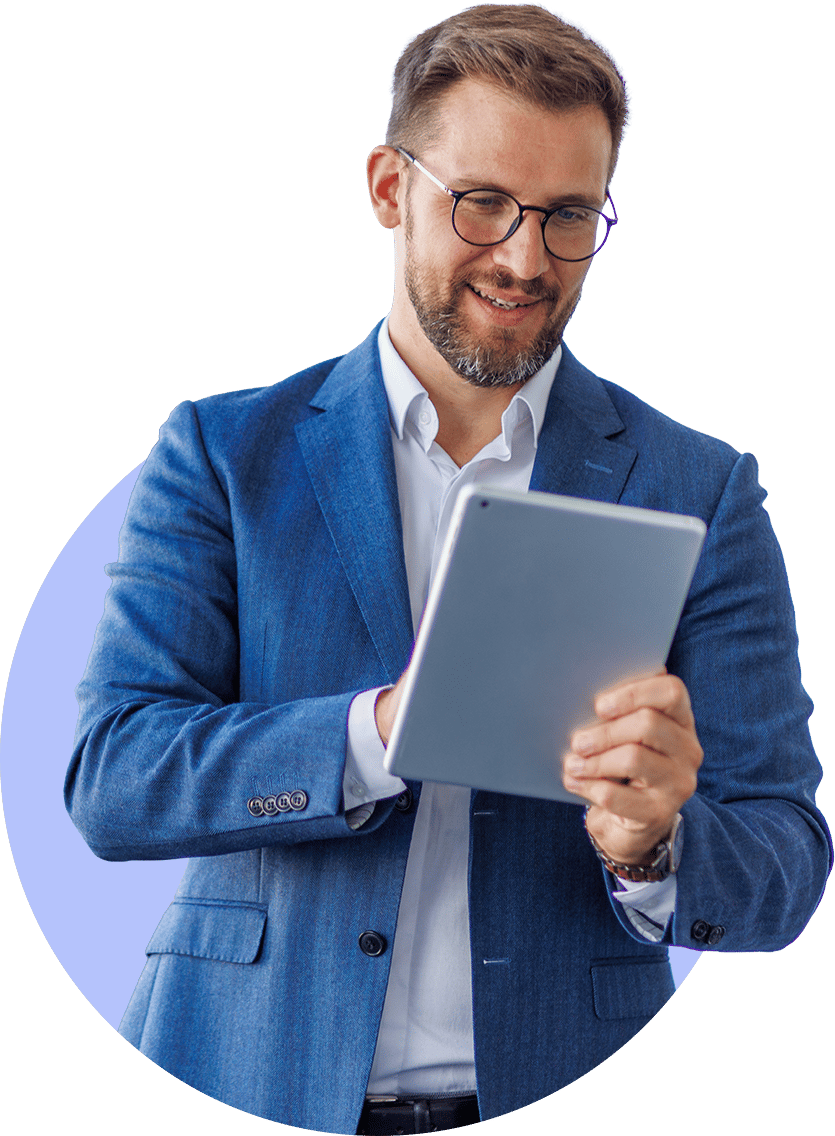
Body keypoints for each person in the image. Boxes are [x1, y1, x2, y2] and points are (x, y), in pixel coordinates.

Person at [65, 5, 831, 1133]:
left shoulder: (697, 485)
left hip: (559, 1082)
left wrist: (657, 842)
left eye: (568, 215)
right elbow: (112, 777)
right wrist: (380, 731)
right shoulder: (225, 452)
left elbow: (784, 861)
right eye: (483, 203)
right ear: (388, 188)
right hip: (243, 1069)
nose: (525, 258)